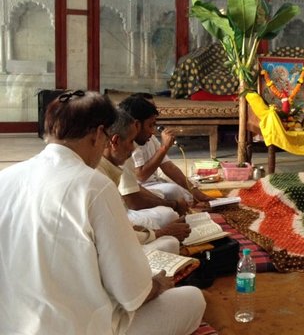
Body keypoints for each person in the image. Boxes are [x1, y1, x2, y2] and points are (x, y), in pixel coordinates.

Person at [0, 90, 205, 334]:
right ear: (99, 134)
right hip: (82, 327)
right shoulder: (93, 185)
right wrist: (157, 286)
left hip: (14, 325)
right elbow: (131, 295)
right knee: (193, 299)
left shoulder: (6, 177)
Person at [97, 108, 191, 253]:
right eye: (130, 142)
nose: (133, 148)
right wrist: (161, 232)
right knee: (170, 243)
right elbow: (114, 235)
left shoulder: (107, 164)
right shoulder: (97, 178)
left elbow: (121, 221)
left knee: (169, 215)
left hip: (123, 228)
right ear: (114, 141)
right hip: (109, 248)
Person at [118, 93, 213, 205]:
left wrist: (197, 193)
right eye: (150, 125)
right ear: (137, 124)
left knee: (184, 193)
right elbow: (141, 176)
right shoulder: (127, 144)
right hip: (138, 191)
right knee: (175, 195)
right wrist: (164, 148)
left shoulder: (150, 138)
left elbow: (169, 167)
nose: (153, 131)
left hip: (151, 186)